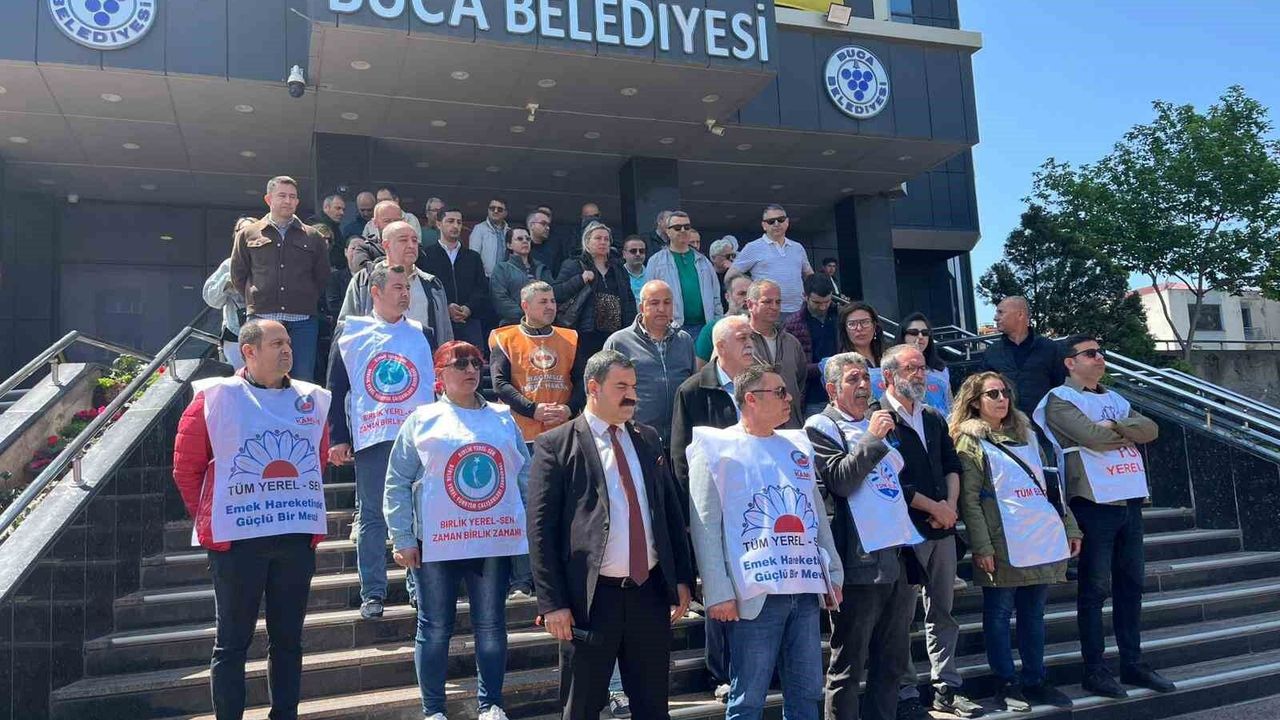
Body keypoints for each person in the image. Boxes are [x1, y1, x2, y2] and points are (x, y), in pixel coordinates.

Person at [172, 318, 331, 720]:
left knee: (288, 641)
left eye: (288, 342)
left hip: (294, 538)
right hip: (237, 542)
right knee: (232, 643)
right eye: (276, 343)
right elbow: (187, 468)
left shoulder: (312, 399)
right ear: (249, 351)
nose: (287, 349)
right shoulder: (215, 398)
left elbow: (318, 460)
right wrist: (213, 516)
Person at [527, 350, 694, 720]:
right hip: (591, 600)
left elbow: (669, 513)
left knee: (653, 708)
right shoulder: (557, 444)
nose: (631, 395)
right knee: (582, 707)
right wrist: (552, 603)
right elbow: (540, 531)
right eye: (621, 387)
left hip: (648, 594)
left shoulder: (648, 438)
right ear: (593, 387)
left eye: (633, 386)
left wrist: (682, 578)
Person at [687, 364, 844, 720]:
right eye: (780, 392)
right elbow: (705, 525)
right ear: (751, 399)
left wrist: (833, 573)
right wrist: (718, 591)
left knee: (806, 693)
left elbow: (815, 515)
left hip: (803, 589)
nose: (789, 398)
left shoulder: (796, 445)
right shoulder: (716, 447)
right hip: (753, 594)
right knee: (749, 697)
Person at [385, 341, 530, 720]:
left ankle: (491, 704)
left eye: (476, 363)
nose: (470, 369)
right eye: (460, 363)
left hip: (492, 539)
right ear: (439, 374)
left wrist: (533, 530)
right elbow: (397, 481)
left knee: (491, 625)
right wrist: (402, 537)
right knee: (434, 627)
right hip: (435, 541)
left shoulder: (502, 417)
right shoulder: (422, 419)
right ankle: (433, 710)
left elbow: (525, 477)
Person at [1033, 335, 1172, 699]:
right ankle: (1095, 669)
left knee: (1131, 585)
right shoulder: (1059, 399)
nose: (1099, 358)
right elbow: (1091, 436)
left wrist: (1112, 427)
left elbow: (1152, 429)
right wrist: (1120, 430)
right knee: (1095, 589)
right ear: (1070, 362)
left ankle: (1133, 663)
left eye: (1101, 353)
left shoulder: (1116, 398)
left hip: (1128, 500)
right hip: (1092, 503)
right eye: (1091, 353)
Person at [951, 371, 1080, 712]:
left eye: (1005, 392)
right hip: (1002, 542)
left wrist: (1070, 527)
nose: (1001, 399)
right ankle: (1006, 683)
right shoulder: (969, 441)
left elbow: (1050, 487)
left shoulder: (1027, 434)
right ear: (975, 402)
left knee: (1034, 614)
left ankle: (1036, 680)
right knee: (998, 615)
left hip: (1039, 535)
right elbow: (970, 501)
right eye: (992, 394)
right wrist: (982, 546)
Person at [804, 352, 923, 720]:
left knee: (892, 662)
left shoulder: (878, 422)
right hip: (859, 561)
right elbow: (840, 481)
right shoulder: (820, 426)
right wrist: (872, 438)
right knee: (849, 664)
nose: (862, 386)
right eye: (852, 380)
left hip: (896, 554)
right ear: (831, 389)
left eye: (865, 379)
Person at [873, 344, 983, 719]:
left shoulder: (933, 416)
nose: (920, 374)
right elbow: (890, 480)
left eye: (922, 367)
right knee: (900, 617)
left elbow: (952, 465)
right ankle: (905, 690)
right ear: (889, 375)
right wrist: (933, 508)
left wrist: (949, 506)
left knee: (942, 611)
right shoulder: (877, 418)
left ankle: (946, 687)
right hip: (904, 533)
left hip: (943, 528)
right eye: (911, 368)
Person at [327, 263, 436, 618]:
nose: (405, 294)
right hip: (373, 435)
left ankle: (418, 589)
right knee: (373, 515)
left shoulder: (422, 333)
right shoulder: (352, 332)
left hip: (416, 438)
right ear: (375, 292)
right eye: (397, 288)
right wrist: (338, 437)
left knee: (417, 514)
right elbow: (336, 387)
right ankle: (373, 593)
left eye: (407, 288)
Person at [669, 314, 757, 702]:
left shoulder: (762, 384)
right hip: (715, 508)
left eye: (751, 337)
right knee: (720, 589)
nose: (750, 343)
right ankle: (720, 673)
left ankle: (760, 666)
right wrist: (692, 514)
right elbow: (680, 456)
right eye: (742, 338)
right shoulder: (693, 390)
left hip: (757, 507)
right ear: (720, 347)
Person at [489, 281, 582, 600]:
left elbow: (582, 382)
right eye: (543, 301)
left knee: (568, 505)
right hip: (524, 436)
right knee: (527, 509)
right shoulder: (504, 337)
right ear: (525, 306)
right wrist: (533, 409)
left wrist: (569, 408)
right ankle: (522, 578)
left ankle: (566, 573)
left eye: (553, 300)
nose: (550, 306)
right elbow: (500, 383)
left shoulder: (570, 337)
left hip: (564, 434)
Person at [230, 175, 331, 383]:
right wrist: (257, 297)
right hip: (261, 318)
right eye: (282, 195)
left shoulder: (313, 237)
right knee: (259, 378)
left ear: (297, 201)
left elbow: (321, 276)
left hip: (302, 320)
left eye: (292, 197)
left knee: (302, 380)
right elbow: (238, 274)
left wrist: (304, 297)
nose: (288, 201)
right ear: (268, 199)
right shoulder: (248, 234)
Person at [603, 280, 695, 454]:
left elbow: (692, 388)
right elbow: (605, 391)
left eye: (667, 302)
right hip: (635, 440)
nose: (661, 308)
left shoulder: (685, 341)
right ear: (641, 307)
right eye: (654, 303)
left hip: (679, 442)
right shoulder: (619, 342)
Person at [338, 221, 453, 346]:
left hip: (421, 355)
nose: (411, 245)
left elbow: (446, 335)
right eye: (403, 240)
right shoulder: (365, 280)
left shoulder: (433, 284)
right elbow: (346, 328)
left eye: (414, 241)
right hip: (377, 355)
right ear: (386, 245)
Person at [552, 221, 637, 364]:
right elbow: (556, 292)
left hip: (615, 334)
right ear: (587, 242)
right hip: (585, 332)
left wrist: (630, 329)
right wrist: (580, 279)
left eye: (606, 239)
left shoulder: (618, 269)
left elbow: (629, 301)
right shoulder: (573, 265)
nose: (603, 242)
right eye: (598, 238)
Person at [981, 296, 1065, 420]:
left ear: (1020, 315)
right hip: (1006, 425)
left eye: (1001, 312)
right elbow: (982, 390)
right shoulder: (991, 353)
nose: (995, 318)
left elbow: (1062, 388)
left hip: (1043, 424)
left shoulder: (1050, 348)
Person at [419, 207, 493, 348]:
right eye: (450, 221)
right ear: (439, 224)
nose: (455, 226)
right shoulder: (426, 255)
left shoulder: (473, 257)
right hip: (440, 323)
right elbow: (425, 288)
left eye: (459, 222)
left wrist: (469, 308)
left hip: (470, 323)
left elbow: (482, 288)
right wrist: (446, 307)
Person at [645, 211, 722, 340]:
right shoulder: (655, 261)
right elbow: (648, 298)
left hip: (704, 328)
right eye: (677, 227)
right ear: (668, 232)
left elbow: (716, 297)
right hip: (671, 329)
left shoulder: (704, 261)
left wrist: (716, 324)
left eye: (687, 227)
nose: (683, 230)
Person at [726, 204, 814, 314]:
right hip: (766, 313)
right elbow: (730, 277)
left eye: (781, 220)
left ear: (787, 222)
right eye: (771, 221)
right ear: (764, 225)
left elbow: (810, 276)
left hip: (799, 311)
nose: (776, 224)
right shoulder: (753, 247)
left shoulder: (798, 248)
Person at [745, 279, 805, 426]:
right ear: (750, 305)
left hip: (791, 425)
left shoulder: (791, 342)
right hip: (755, 427)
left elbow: (800, 381)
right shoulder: (739, 341)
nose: (774, 307)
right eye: (767, 302)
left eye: (778, 302)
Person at [783, 274, 839, 416]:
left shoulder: (841, 315)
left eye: (827, 301)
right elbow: (792, 367)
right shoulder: (793, 324)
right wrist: (824, 366)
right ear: (805, 296)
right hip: (813, 395)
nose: (823, 307)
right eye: (817, 302)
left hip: (843, 391)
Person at [204, 217, 255, 370]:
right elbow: (211, 299)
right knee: (240, 377)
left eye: (250, 230)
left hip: (265, 333)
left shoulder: (271, 263)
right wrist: (228, 280)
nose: (245, 234)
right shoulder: (229, 264)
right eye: (241, 231)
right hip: (235, 333)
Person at [491, 226, 553, 327]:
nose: (525, 241)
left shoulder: (542, 268)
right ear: (509, 245)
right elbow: (500, 299)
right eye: (519, 239)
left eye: (528, 239)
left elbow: (553, 294)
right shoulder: (502, 269)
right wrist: (527, 315)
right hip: (513, 325)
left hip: (543, 325)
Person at [899, 311, 952, 414]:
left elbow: (949, 404)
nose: (920, 336)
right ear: (903, 336)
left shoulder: (941, 369)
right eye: (914, 332)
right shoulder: (895, 367)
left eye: (925, 333)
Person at [695, 275, 751, 368]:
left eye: (750, 295)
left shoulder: (758, 327)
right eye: (741, 294)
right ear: (727, 297)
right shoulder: (712, 328)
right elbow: (700, 369)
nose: (746, 299)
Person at [834, 302, 886, 400]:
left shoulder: (888, 356)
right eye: (852, 324)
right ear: (845, 330)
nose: (859, 328)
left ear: (874, 326)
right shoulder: (841, 363)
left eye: (865, 322)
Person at [350, 200, 412, 273]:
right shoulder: (365, 247)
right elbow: (362, 271)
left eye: (397, 220)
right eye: (387, 221)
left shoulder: (412, 246)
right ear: (375, 223)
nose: (393, 224)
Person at [470, 196, 510, 277]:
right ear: (488, 210)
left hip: (505, 278)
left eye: (499, 209)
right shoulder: (479, 229)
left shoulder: (510, 231)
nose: (495, 211)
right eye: (492, 208)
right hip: (485, 277)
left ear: (505, 213)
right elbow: (473, 256)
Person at [324, 236, 361, 321]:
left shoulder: (373, 277)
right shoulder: (334, 278)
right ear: (345, 252)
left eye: (361, 249)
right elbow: (333, 305)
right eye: (353, 248)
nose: (357, 252)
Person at [527, 209, 563, 273]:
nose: (547, 228)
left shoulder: (554, 249)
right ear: (531, 225)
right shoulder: (522, 247)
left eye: (548, 225)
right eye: (543, 224)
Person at [707, 237, 737, 312]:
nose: (731, 259)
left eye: (733, 255)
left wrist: (733, 270)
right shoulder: (706, 275)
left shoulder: (735, 272)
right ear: (714, 258)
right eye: (727, 256)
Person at [621, 234, 648, 303]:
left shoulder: (652, 274)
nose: (638, 254)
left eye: (641, 251)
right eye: (633, 251)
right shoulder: (617, 276)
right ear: (624, 254)